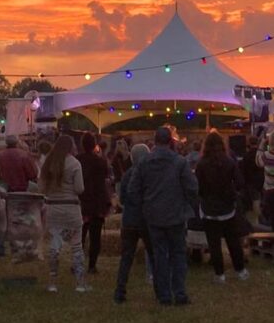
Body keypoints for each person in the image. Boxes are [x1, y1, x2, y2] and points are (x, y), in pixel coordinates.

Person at [128, 126, 198, 306]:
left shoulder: (144, 163)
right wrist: (191, 205)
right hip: (176, 215)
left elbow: (133, 190)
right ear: (170, 141)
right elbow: (192, 188)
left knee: (159, 255)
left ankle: (164, 295)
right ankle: (180, 293)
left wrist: (143, 206)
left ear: (154, 140)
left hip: (153, 216)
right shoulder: (180, 162)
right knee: (178, 254)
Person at [195, 132, 248, 284]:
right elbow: (239, 183)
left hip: (209, 208)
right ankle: (240, 271)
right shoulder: (229, 162)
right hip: (227, 207)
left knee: (214, 244)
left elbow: (197, 187)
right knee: (233, 241)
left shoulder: (201, 164)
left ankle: (219, 275)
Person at [38, 134, 88, 293]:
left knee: (54, 246)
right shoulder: (75, 164)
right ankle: (80, 283)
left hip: (53, 209)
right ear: (70, 146)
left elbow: (42, 188)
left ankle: (52, 282)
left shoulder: (49, 163)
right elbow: (80, 188)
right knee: (77, 247)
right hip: (71, 209)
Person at [114, 143, 154, 303]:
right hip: (147, 219)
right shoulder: (151, 175)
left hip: (129, 219)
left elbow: (122, 199)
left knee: (126, 257)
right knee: (154, 255)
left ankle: (120, 291)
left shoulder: (127, 175)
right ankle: (159, 288)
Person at [77, 131, 111, 274]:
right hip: (97, 201)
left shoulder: (77, 160)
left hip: (82, 201)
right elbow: (106, 178)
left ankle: (77, 263)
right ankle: (92, 265)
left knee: (80, 236)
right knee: (95, 236)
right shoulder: (101, 161)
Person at [241, 137, 264, 212]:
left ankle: (256, 216)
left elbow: (243, 170)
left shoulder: (246, 155)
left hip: (251, 182)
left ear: (249, 143)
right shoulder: (261, 155)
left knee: (255, 199)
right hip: (262, 180)